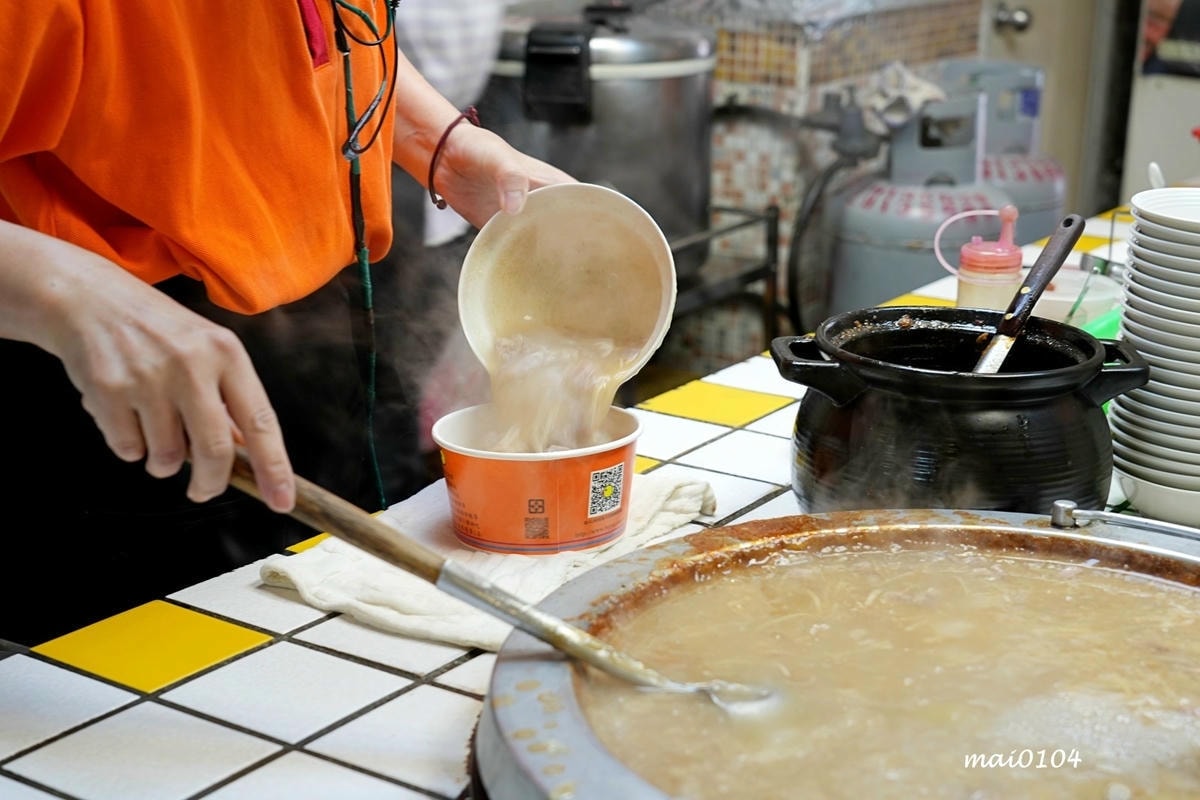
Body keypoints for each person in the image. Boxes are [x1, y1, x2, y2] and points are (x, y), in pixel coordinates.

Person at [0, 1, 572, 644]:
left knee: (352, 645)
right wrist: (67, 294)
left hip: (326, 318)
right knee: (160, 667)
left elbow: (309, 39)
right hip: (111, 371)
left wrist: (437, 141)